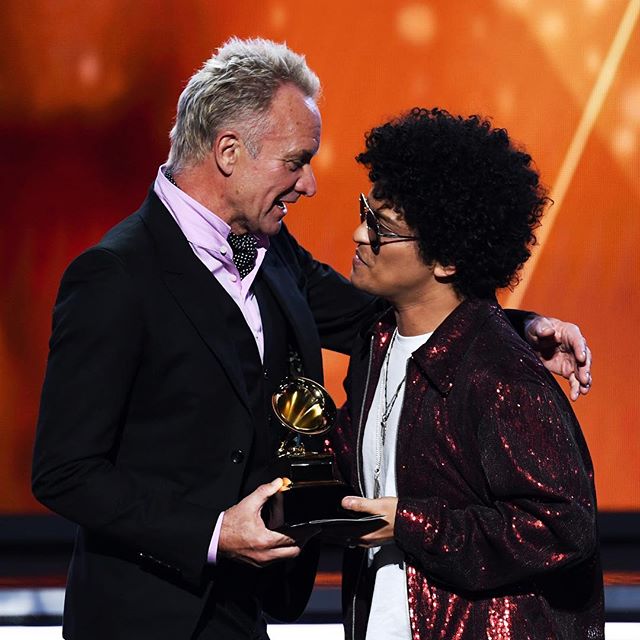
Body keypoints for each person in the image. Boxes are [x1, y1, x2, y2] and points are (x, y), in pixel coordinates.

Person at [31, 38, 593, 640]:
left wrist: (516, 329)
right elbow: (66, 471)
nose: (309, 186)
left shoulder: (269, 250)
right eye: (295, 161)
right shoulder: (115, 276)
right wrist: (214, 534)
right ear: (228, 152)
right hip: (149, 617)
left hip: (248, 609)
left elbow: (386, 318)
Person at [331, 108, 604, 640]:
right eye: (365, 211)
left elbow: (562, 526)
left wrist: (411, 524)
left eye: (383, 228)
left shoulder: (501, 376)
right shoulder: (377, 346)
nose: (359, 234)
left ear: (448, 259)